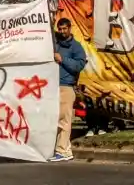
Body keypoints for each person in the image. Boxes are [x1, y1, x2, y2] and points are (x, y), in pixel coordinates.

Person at [51, 18, 87, 162]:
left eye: (64, 29)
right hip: (53, 86)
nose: (62, 31)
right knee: (56, 119)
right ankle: (63, 149)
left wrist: (63, 60)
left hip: (66, 86)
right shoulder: (56, 43)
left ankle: (63, 151)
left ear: (70, 28)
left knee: (64, 120)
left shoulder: (76, 47)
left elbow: (79, 65)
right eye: (60, 29)